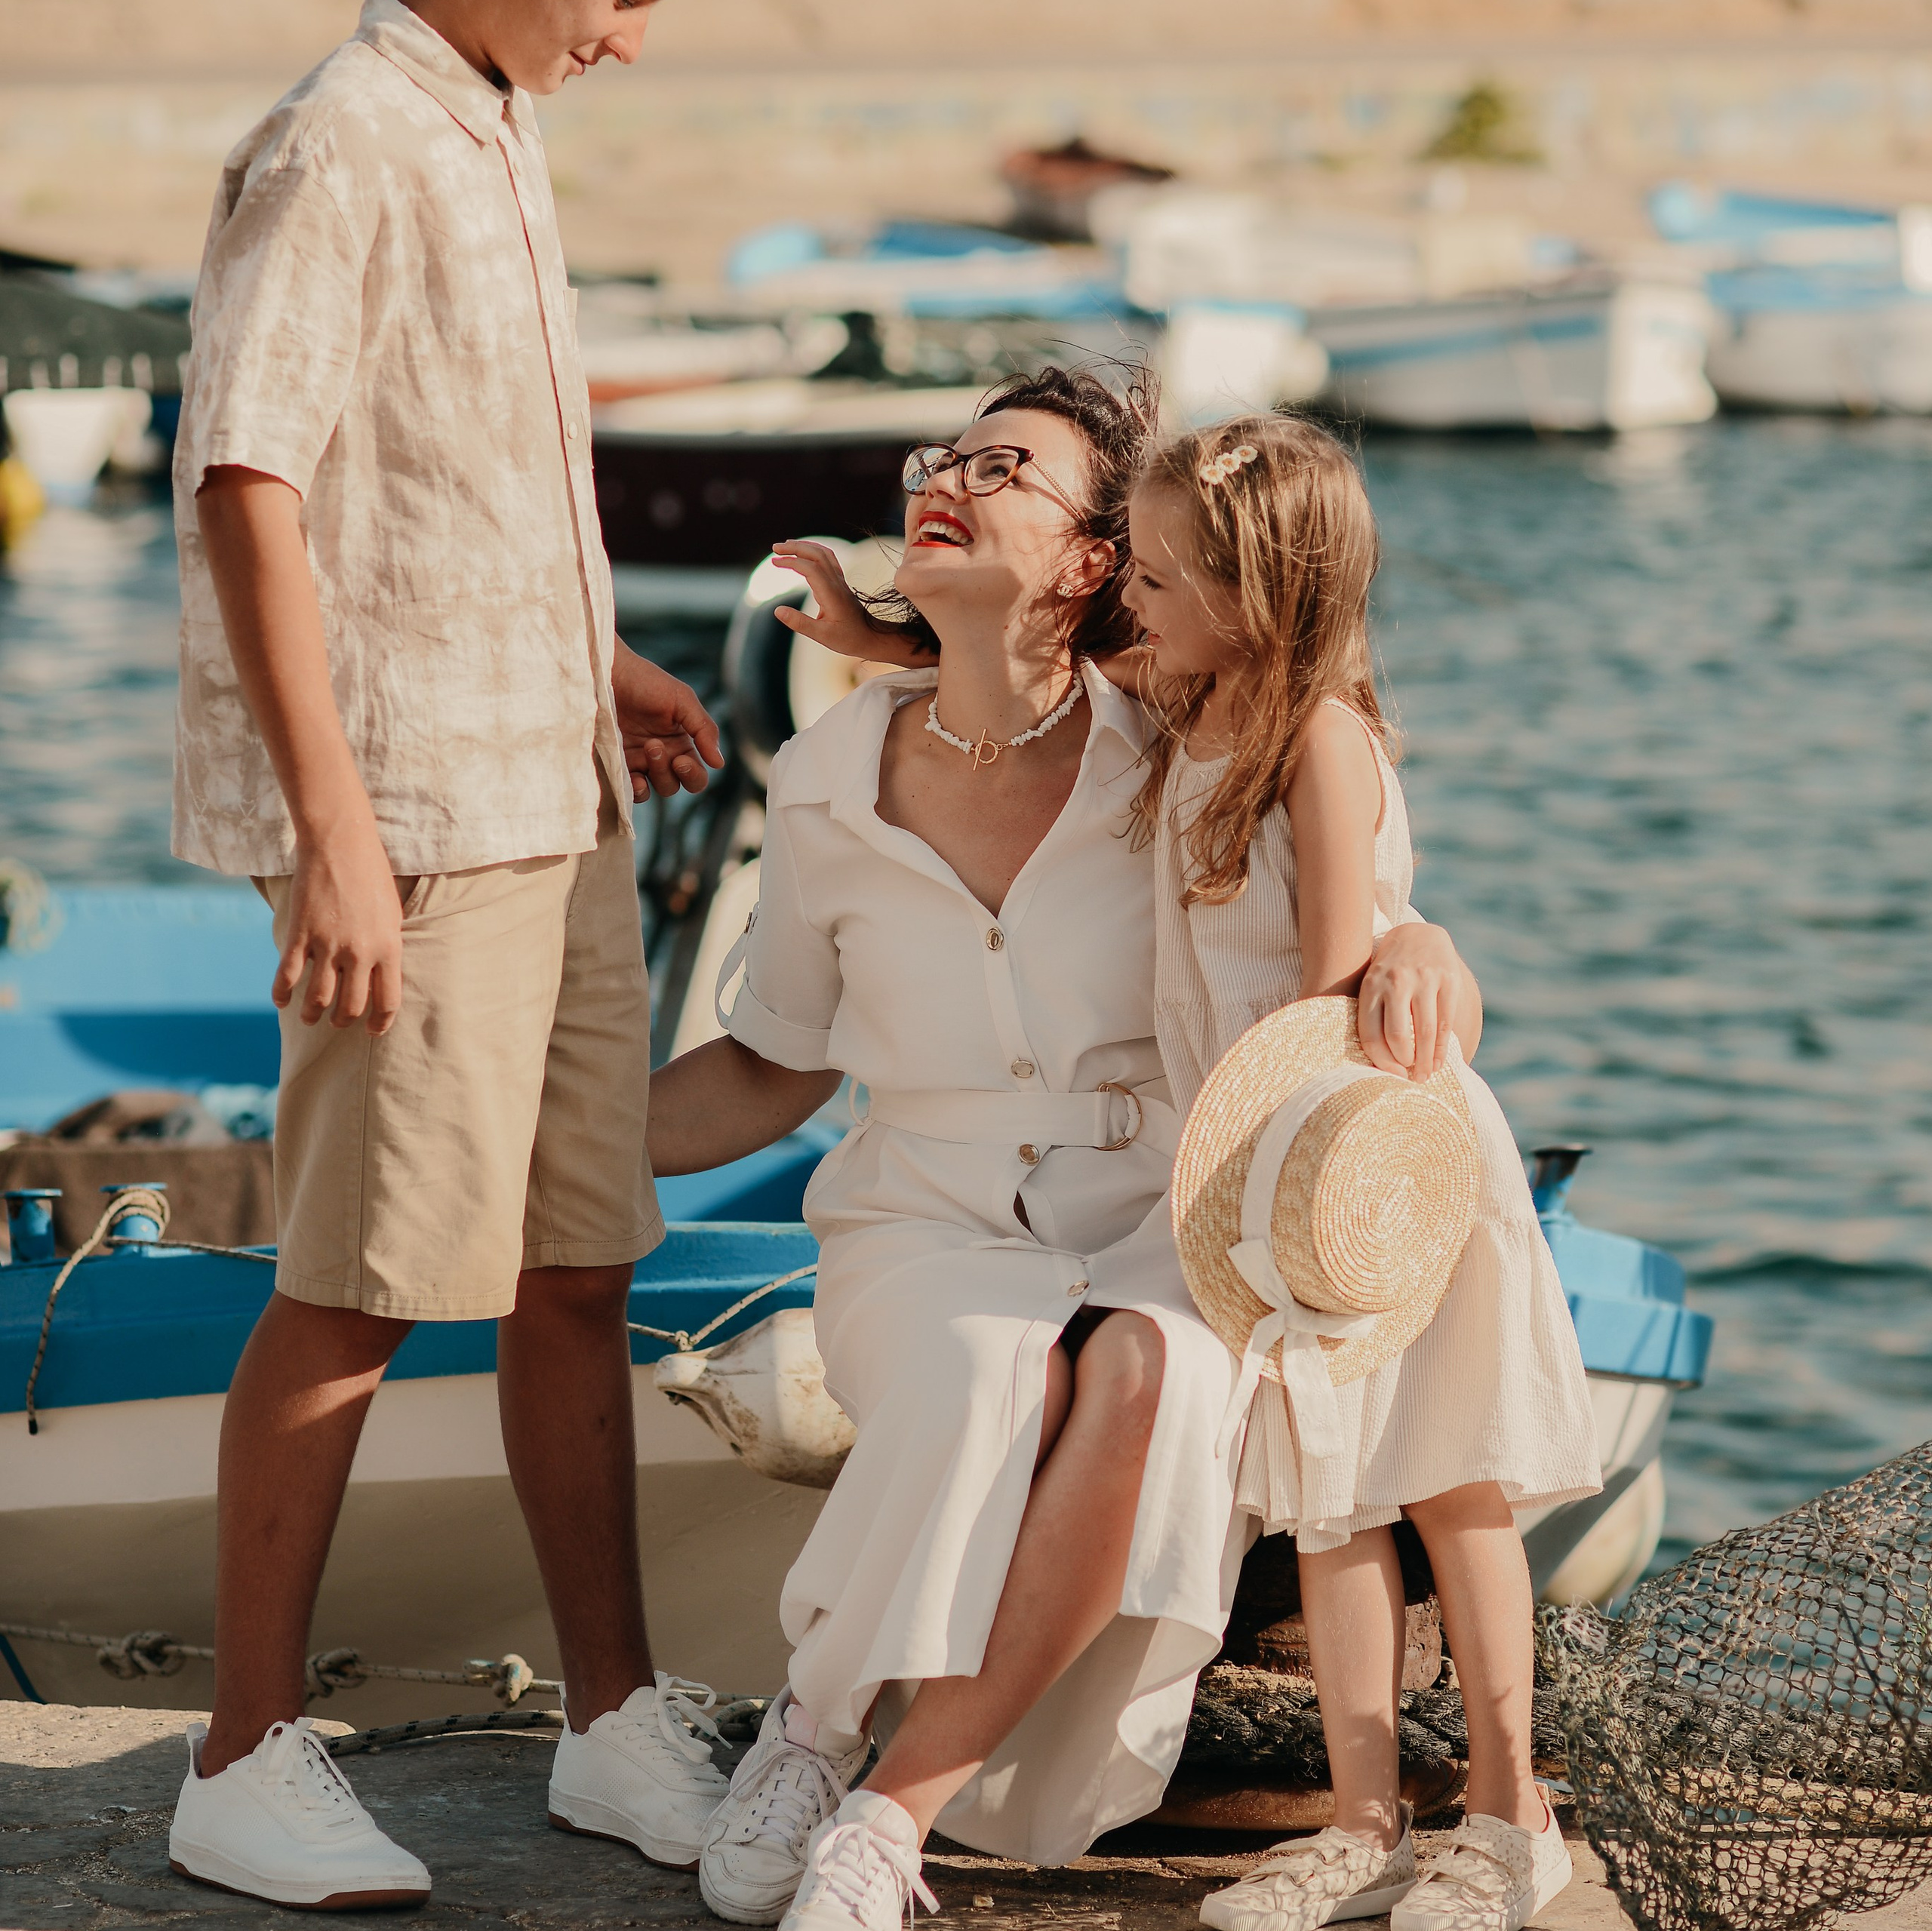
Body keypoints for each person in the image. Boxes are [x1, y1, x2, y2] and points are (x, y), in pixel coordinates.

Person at [644, 367, 1487, 1931]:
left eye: (1002, 466)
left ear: (1101, 558)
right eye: (940, 456)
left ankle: (887, 1812)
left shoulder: (1164, 738)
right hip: (920, 1211)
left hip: (1162, 1204)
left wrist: (1415, 929)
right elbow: (769, 1063)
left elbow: (1326, 757)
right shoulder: (822, 777)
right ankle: (812, 1724)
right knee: (985, 1364)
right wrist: (572, 1149)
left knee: (1156, 1370)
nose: (945, 476)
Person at [165, 0, 731, 1909]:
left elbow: (463, 483)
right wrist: (336, 838)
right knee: (361, 1276)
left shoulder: (493, 118)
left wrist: (605, 668)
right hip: (410, 819)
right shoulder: (337, 142)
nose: (633, 38)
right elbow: (253, 483)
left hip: (547, 783)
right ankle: (237, 1756)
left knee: (579, 1256)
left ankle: (611, 1716)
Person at [1118, 414, 1602, 1931]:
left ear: (1256, 590)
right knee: (1327, 1507)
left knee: (1449, 1484)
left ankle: (1513, 1815)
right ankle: (1364, 1815)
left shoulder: (1314, 733)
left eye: (1157, 573)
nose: (1128, 595)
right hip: (1266, 1176)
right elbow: (1046, 668)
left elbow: (1334, 976)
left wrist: (1415, 933)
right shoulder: (1185, 694)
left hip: (1363, 1154)